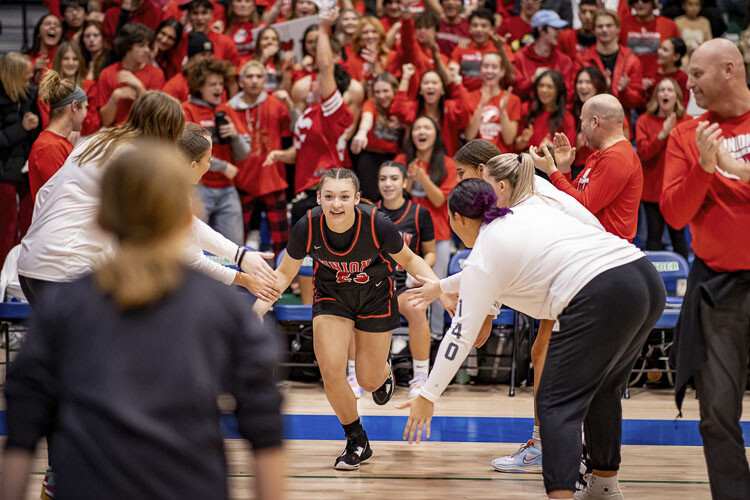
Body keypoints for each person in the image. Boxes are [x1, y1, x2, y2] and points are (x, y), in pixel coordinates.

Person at [1, 141, 284, 500]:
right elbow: (266, 432)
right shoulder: (222, 310)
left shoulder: (61, 307)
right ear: (187, 215)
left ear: (100, 218)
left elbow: (22, 431)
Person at [401, 177, 665, 500]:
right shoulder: (525, 211)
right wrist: (441, 287)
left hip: (599, 291)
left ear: (455, 219)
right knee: (603, 390)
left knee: (554, 405)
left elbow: (461, 332)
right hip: (644, 277)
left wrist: (428, 394)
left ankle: (562, 495)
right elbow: (488, 271)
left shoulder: (485, 251)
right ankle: (604, 486)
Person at [253, 167, 442, 470]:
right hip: (332, 296)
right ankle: (356, 439)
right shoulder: (308, 226)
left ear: (356, 198)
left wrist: (441, 290)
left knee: (368, 380)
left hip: (375, 295)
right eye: (329, 197)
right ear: (319, 199)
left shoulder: (377, 222)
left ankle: (383, 372)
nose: (336, 204)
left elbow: (410, 259)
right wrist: (257, 309)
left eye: (343, 197)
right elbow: (284, 273)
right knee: (330, 370)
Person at [18, 91, 278, 304]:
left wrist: (240, 257)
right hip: (67, 268)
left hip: (32, 261)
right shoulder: (138, 161)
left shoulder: (97, 140)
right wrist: (241, 263)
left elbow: (44, 194)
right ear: (166, 129)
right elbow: (186, 240)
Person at [447, 140, 605, 474]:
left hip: (591, 276)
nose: (459, 182)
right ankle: (550, 444)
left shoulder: (525, 199)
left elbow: (494, 260)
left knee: (553, 358)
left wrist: (486, 312)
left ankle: (566, 448)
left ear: (482, 172)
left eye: (462, 174)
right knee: (541, 353)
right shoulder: (514, 192)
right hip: (577, 276)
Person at [660, 38, 750, 500]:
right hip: (718, 286)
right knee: (716, 410)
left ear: (729, 69)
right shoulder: (686, 134)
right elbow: (675, 214)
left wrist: (737, 172)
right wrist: (707, 168)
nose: (687, 82)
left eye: (696, 73)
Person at [263, 9, 353, 224]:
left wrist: (323, 29)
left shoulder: (332, 109)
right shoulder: (309, 113)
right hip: (306, 192)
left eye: (318, 80)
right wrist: (280, 155)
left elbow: (325, 66)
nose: (312, 82)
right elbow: (301, 151)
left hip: (329, 195)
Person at [534, 94, 643, 242]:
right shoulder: (598, 156)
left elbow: (584, 207)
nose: (581, 129)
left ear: (594, 122)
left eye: (582, 122)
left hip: (609, 252)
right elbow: (572, 200)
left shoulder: (617, 158)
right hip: (595, 246)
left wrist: (552, 171)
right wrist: (564, 169)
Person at [394, 115, 457, 338]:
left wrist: (422, 177)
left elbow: (440, 200)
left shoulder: (448, 163)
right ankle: (401, 339)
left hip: (437, 234)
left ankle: (437, 337)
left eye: (426, 128)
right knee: (400, 287)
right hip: (405, 233)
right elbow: (398, 196)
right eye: (417, 128)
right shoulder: (402, 160)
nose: (421, 132)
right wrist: (409, 180)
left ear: (436, 134)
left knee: (438, 286)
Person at [377, 161, 436, 398]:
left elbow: (430, 252)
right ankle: (354, 374)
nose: (388, 184)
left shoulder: (419, 213)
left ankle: (421, 376)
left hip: (404, 284)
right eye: (383, 179)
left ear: (404, 182)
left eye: (393, 178)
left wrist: (419, 272)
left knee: (417, 308)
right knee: (354, 308)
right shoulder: (368, 211)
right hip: (375, 284)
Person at [228, 60, 298, 255]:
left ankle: (284, 283)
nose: (254, 81)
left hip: (272, 178)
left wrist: (291, 104)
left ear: (265, 80)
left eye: (259, 77)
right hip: (243, 179)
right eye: (249, 76)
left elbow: (298, 128)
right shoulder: (229, 108)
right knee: (237, 237)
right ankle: (241, 280)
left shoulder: (275, 103)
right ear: (241, 82)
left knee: (282, 239)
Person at [181, 59, 250, 245]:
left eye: (221, 83)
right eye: (213, 84)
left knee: (234, 247)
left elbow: (244, 153)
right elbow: (186, 152)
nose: (219, 88)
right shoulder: (187, 110)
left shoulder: (225, 109)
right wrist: (222, 166)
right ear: (199, 86)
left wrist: (235, 136)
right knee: (193, 245)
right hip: (198, 187)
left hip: (227, 188)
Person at [636, 77, 691, 259]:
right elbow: (643, 153)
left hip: (678, 188)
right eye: (661, 90)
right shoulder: (644, 120)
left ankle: (684, 283)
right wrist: (663, 134)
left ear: (677, 96)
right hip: (652, 189)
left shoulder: (687, 121)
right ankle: (657, 283)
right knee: (654, 235)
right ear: (656, 96)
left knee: (678, 236)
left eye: (670, 90)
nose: (665, 93)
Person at [0, 52, 41, 266]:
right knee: (6, 226)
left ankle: (22, 271)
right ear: (14, 74)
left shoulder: (30, 95)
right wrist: (21, 128)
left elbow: (35, 133)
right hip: (4, 171)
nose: (31, 77)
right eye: (27, 74)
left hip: (25, 169)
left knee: (28, 223)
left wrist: (33, 126)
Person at [391, 55, 472, 156]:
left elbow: (466, 110)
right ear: (420, 90)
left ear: (442, 90)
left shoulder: (449, 107)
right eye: (426, 83)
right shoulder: (415, 108)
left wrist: (457, 80)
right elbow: (398, 110)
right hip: (418, 162)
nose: (430, 86)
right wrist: (406, 78)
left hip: (447, 163)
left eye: (434, 83)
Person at [29, 69, 88, 201]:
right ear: (74, 106)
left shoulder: (59, 143)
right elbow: (62, 198)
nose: (86, 114)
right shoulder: (49, 147)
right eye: (85, 107)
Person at [96, 23, 166, 127]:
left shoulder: (156, 73)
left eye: (148, 45)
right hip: (115, 133)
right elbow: (106, 122)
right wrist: (115, 97)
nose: (147, 50)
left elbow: (156, 118)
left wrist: (140, 88)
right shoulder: (107, 73)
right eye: (141, 46)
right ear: (127, 47)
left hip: (145, 134)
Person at [576, 9, 644, 114]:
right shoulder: (582, 59)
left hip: (621, 122)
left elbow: (636, 101)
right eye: (600, 26)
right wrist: (602, 88)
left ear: (618, 29)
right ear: (593, 30)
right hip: (590, 117)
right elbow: (574, 96)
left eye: (609, 25)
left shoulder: (631, 60)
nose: (604, 29)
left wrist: (624, 91)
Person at [350, 72, 404, 200]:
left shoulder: (400, 108)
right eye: (377, 92)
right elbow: (366, 119)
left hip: (393, 159)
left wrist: (404, 125)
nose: (381, 96)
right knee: (370, 198)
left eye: (386, 91)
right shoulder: (371, 104)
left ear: (395, 90)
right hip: (370, 158)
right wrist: (362, 133)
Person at [36, 41, 100, 136]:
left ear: (80, 62)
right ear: (59, 61)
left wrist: (75, 129)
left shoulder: (89, 86)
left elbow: (93, 124)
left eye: (75, 59)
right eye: (66, 58)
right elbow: (47, 122)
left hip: (83, 138)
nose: (71, 63)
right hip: (56, 137)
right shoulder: (48, 88)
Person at [465, 51, 521, 154]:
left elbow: (509, 139)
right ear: (480, 70)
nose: (489, 71)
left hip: (502, 160)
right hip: (476, 158)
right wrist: (481, 105)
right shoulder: (469, 97)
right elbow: (469, 136)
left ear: (502, 72)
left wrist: (503, 111)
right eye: (486, 66)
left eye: (494, 67)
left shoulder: (513, 100)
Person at [512, 9, 574, 101]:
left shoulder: (564, 61)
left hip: (556, 113)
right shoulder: (519, 58)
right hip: (527, 113)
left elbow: (568, 94)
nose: (560, 32)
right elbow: (514, 93)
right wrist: (532, 80)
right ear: (541, 29)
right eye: (555, 28)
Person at [514, 70, 575, 162]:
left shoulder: (566, 118)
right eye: (541, 85)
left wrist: (550, 148)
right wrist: (523, 140)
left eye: (549, 87)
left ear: (558, 90)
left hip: (550, 167)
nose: (544, 90)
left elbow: (568, 154)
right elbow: (515, 145)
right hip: (524, 163)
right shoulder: (527, 109)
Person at [618, 0, 680, 83]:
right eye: (636, 0)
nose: (640, 3)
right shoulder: (622, 24)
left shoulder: (669, 25)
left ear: (653, 2)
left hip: (661, 82)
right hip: (630, 83)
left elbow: (678, 54)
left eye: (645, 0)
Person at [450, 8, 500, 92]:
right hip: (464, 95)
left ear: (492, 30)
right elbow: (452, 72)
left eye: (483, 26)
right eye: (475, 25)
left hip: (491, 95)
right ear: (469, 28)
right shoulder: (461, 48)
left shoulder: (499, 49)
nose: (479, 30)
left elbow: (510, 76)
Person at [646, 37, 689, 107]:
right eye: (660, 48)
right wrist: (642, 89)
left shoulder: (682, 77)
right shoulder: (651, 75)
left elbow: (683, 103)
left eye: (665, 50)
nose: (659, 52)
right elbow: (643, 105)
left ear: (676, 56)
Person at [27, 14, 62, 83]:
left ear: (61, 34)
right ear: (39, 33)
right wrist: (32, 71)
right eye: (47, 24)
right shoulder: (27, 59)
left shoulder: (67, 59)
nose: (52, 26)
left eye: (57, 25)